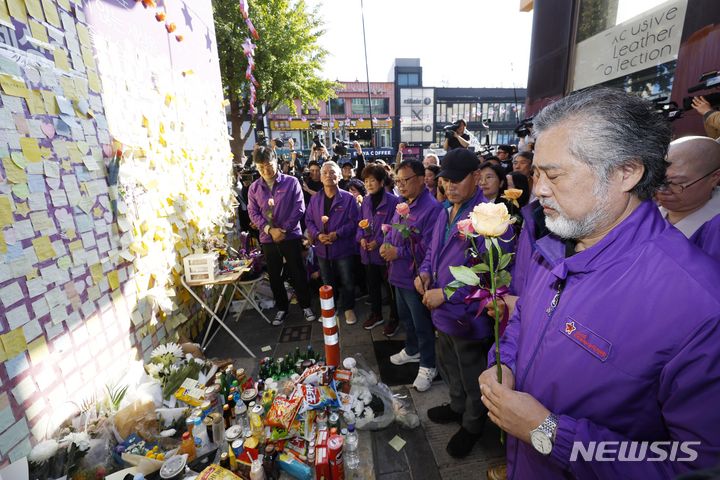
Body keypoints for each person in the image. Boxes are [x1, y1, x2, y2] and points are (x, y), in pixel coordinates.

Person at [478, 88, 720, 479]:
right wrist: (501, 365)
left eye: (553, 175)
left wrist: (548, 433)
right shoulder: (552, 245)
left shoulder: (699, 306)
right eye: (537, 172)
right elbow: (522, 322)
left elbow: (697, 465)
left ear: (627, 172)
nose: (537, 189)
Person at [417, 148, 502, 456]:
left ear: (476, 178)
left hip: (466, 315)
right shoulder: (445, 210)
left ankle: (472, 424)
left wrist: (447, 292)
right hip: (440, 311)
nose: (449, 186)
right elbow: (431, 250)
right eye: (445, 180)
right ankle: (456, 407)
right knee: (449, 366)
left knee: (471, 374)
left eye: (456, 180)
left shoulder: (486, 217)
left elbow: (486, 274)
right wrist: (424, 272)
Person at [381, 160, 443, 384]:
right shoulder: (402, 204)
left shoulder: (432, 208)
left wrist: (399, 252)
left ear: (421, 178)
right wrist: (386, 243)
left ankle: (428, 364)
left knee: (422, 323)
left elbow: (429, 247)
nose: (401, 185)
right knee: (406, 318)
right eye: (398, 181)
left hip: (415, 277)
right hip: (397, 274)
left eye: (405, 180)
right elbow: (393, 231)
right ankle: (412, 348)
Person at [246, 146, 316, 325]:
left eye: (268, 165)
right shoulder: (254, 188)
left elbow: (299, 207)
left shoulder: (291, 182)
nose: (265, 170)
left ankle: (306, 305)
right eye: (261, 167)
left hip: (290, 236)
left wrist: (283, 230)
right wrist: (270, 230)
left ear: (276, 160)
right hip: (268, 239)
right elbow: (253, 212)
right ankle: (282, 308)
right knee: (275, 275)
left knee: (297, 271)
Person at [306, 161, 360, 325]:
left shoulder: (348, 198)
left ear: (339, 176)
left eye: (332, 172)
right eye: (325, 173)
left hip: (342, 247)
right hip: (322, 248)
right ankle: (332, 307)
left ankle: (349, 308)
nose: (329, 175)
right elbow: (308, 220)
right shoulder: (315, 199)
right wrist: (317, 234)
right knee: (327, 280)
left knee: (347, 279)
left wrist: (337, 234)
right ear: (320, 177)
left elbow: (354, 221)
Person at [656, 136, 720, 261]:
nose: (661, 189)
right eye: (657, 180)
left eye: (676, 182)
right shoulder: (646, 210)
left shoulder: (714, 233)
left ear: (715, 177)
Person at [357, 164, 400, 330]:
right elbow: (359, 224)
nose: (368, 184)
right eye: (366, 181)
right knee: (372, 286)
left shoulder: (393, 201)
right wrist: (361, 238)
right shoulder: (366, 201)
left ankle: (394, 318)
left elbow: (394, 227)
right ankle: (376, 314)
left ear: (382, 182)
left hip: (385, 255)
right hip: (367, 253)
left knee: (390, 288)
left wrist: (379, 241)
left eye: (372, 180)